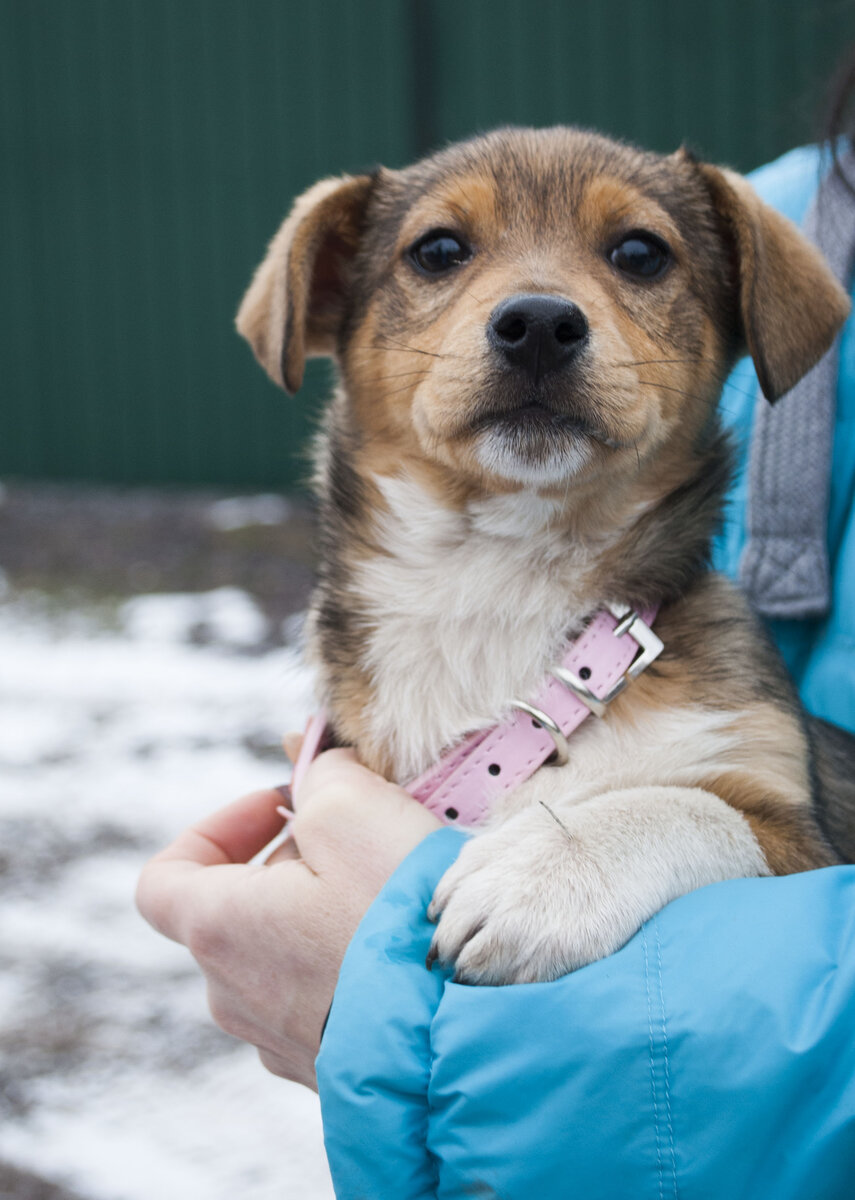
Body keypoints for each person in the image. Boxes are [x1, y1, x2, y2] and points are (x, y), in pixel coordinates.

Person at [137, 117, 855, 1198]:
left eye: (637, 256)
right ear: (335, 302)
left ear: (731, 325)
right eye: (439, 253)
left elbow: (801, 865)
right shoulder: (357, 729)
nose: (537, 310)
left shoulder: (722, 700)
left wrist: (672, 824)